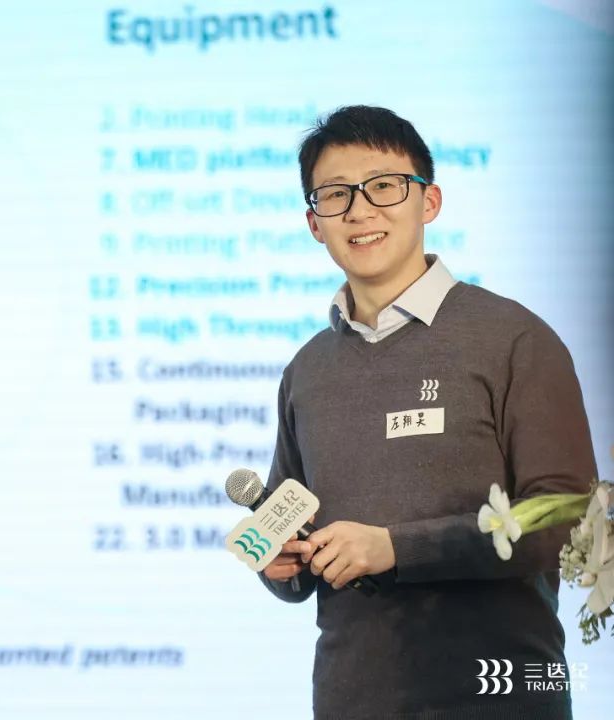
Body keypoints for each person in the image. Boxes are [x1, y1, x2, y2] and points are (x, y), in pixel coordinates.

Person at [257, 105, 597, 719]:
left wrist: (397, 548)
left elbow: (568, 518)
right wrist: (280, 563)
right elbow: (294, 549)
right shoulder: (306, 372)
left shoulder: (514, 340)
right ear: (314, 224)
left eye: (384, 186)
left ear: (429, 201)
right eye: (335, 195)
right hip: (350, 700)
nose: (359, 210)